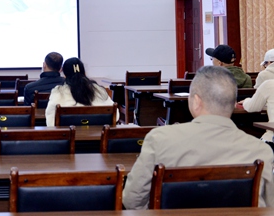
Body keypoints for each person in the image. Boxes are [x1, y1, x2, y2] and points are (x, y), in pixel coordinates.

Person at [123, 65, 274, 208]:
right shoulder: (261, 151)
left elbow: (132, 200)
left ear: (196, 101)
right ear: (233, 103)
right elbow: (269, 206)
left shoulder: (159, 139)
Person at [45, 57, 114, 127]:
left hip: (68, 133)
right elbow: (116, 115)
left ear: (65, 76)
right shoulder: (98, 89)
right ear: (84, 73)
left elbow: (51, 122)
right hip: (99, 133)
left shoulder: (58, 92)